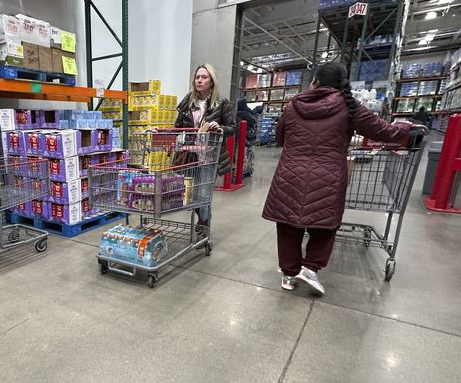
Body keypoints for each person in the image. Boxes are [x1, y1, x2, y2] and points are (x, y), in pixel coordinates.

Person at [262, 62, 418, 296]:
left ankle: (288, 274)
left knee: (287, 224)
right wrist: (406, 128)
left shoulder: (293, 106)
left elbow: (280, 138)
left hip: (290, 174)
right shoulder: (349, 106)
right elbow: (383, 130)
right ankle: (311, 268)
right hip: (328, 176)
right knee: (324, 224)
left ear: (315, 81)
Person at [175, 64, 236, 228]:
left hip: (211, 156)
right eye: (197, 77)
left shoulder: (221, 103)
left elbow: (232, 128)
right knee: (192, 194)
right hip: (191, 157)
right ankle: (203, 223)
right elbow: (178, 127)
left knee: (204, 194)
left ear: (212, 81)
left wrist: (220, 128)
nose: (199, 80)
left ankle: (203, 227)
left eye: (204, 77)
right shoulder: (188, 102)